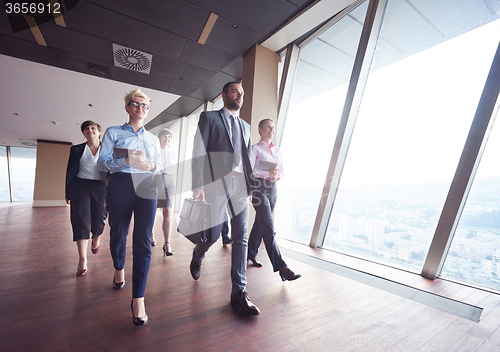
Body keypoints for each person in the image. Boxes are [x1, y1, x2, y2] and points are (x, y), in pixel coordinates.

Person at [190, 81, 260, 315]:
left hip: (240, 184)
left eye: (242, 92)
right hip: (216, 182)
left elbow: (248, 159)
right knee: (212, 233)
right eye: (235, 92)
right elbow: (198, 150)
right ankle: (198, 253)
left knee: (241, 236)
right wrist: (198, 185)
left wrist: (250, 188)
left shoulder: (246, 126)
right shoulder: (209, 118)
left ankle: (238, 292)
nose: (239, 95)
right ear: (224, 95)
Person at [98, 88, 162, 326]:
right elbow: (102, 164)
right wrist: (126, 160)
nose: (141, 108)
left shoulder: (153, 139)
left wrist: (150, 166)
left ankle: (138, 299)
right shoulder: (114, 133)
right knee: (118, 233)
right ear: (127, 107)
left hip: (146, 184)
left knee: (143, 239)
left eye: (145, 105)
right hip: (121, 184)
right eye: (136, 104)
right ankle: (118, 267)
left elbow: (160, 166)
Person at [248, 118, 301, 282]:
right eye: (268, 127)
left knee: (260, 223)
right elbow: (250, 170)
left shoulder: (278, 150)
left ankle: (250, 253)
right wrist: (267, 174)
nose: (271, 130)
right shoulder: (254, 149)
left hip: (272, 189)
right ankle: (282, 267)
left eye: (273, 128)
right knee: (269, 227)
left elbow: (283, 171)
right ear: (260, 129)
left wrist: (277, 175)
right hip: (258, 189)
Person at [65, 120, 107, 276]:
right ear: (83, 133)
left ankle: (96, 237)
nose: (90, 130)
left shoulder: (107, 149)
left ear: (99, 132)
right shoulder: (76, 149)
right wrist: (67, 193)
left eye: (93, 128)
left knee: (99, 219)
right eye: (87, 129)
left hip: (101, 187)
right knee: (80, 219)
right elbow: (69, 172)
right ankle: (82, 259)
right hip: (79, 186)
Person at [153, 128, 177, 256]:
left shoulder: (173, 153)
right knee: (153, 210)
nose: (167, 139)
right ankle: (151, 235)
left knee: (168, 211)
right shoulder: (154, 152)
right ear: (160, 138)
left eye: (169, 137)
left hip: (169, 182)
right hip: (155, 181)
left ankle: (167, 243)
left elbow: (174, 171)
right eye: (164, 136)